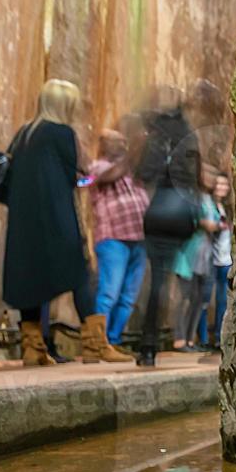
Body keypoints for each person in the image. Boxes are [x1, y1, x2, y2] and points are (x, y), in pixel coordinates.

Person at [2, 79, 128, 366]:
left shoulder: (24, 133)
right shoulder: (62, 133)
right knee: (81, 275)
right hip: (56, 218)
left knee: (30, 278)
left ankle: (33, 349)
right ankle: (96, 346)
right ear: (64, 106)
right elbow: (80, 170)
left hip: (23, 221)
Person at [134, 88, 201, 368]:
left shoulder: (157, 139)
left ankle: (148, 345)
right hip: (182, 217)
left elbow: (143, 174)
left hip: (160, 212)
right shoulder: (190, 138)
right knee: (170, 282)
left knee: (157, 282)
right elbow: (195, 180)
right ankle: (156, 341)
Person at [88, 129, 147, 356]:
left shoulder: (130, 169)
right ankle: (97, 344)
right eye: (118, 142)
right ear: (103, 144)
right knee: (109, 293)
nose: (123, 145)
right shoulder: (98, 168)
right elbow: (111, 175)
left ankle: (112, 340)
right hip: (113, 238)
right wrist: (136, 148)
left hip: (139, 238)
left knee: (129, 297)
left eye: (124, 142)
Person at [174, 166, 221, 352]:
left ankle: (189, 339)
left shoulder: (211, 199)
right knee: (185, 297)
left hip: (206, 255)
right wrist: (204, 223)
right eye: (209, 175)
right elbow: (186, 219)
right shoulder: (191, 196)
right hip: (188, 254)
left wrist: (216, 225)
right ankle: (179, 338)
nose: (212, 179)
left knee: (199, 299)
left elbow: (216, 222)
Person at [197, 172, 233, 350]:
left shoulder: (228, 207)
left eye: (225, 185)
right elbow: (202, 223)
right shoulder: (207, 204)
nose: (222, 188)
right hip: (210, 257)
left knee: (222, 302)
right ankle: (202, 339)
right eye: (219, 184)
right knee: (204, 299)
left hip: (226, 260)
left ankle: (219, 338)